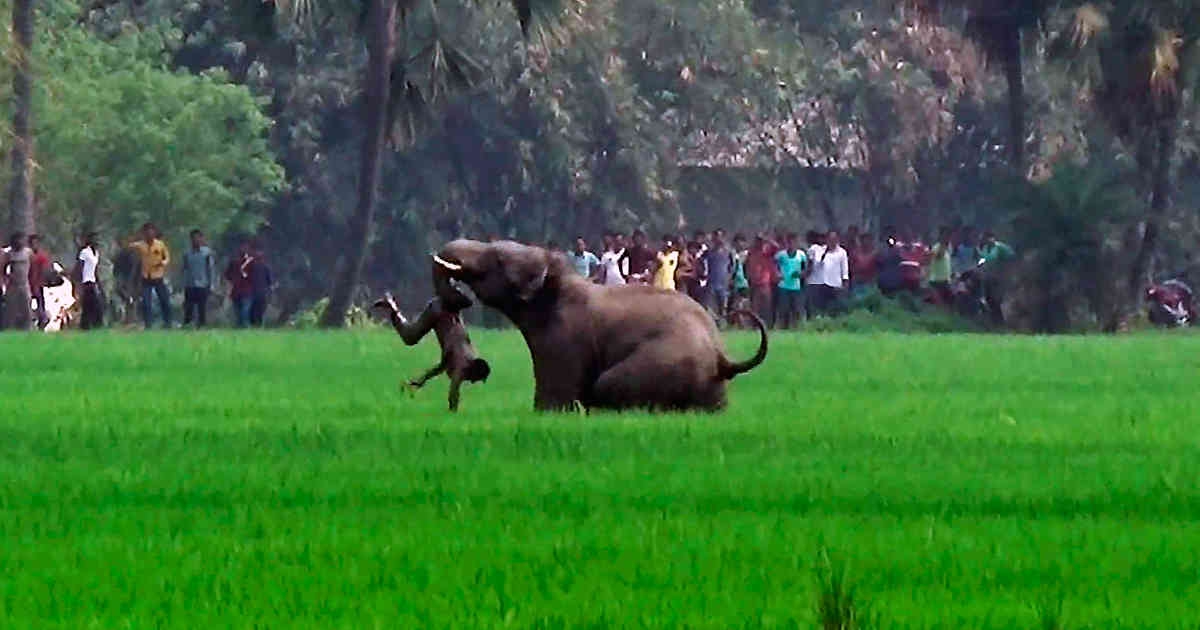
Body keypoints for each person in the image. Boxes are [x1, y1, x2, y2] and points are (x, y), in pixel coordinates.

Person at [373, 291, 490, 412]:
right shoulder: (461, 366)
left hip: (445, 310)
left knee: (410, 338)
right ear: (473, 370)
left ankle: (391, 307)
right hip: (438, 312)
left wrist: (421, 380)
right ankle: (391, 306)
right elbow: (454, 391)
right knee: (409, 337)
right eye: (475, 378)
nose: (472, 381)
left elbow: (442, 366)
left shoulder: (465, 355)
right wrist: (453, 412)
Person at [124, 223, 171, 329]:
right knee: (146, 302)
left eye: (151, 232)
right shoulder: (141, 245)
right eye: (147, 232)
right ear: (144, 233)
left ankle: (168, 323)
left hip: (158, 276)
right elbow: (128, 245)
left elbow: (167, 257)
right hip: (146, 277)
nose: (149, 234)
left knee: (164, 300)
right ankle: (148, 324)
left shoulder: (160, 245)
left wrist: (162, 263)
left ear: (154, 233)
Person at [978, 231, 1016, 325]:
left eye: (988, 238)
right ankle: (995, 321)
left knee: (997, 299)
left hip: (998, 278)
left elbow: (1011, 258)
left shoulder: (1000, 248)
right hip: (987, 277)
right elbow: (983, 259)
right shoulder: (985, 248)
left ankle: (1001, 321)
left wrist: (1005, 272)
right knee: (988, 299)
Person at [807, 230, 849, 315]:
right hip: (818, 283)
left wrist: (844, 285)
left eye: (834, 239)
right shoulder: (817, 250)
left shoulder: (842, 252)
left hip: (834, 284)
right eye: (830, 239)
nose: (832, 241)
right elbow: (812, 265)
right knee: (817, 309)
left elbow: (845, 271)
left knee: (833, 310)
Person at [181, 229, 215, 328]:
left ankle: (202, 325)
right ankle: (187, 325)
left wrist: (211, 284)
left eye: (198, 238)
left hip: (203, 284)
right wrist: (183, 283)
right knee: (189, 307)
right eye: (193, 238)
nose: (196, 240)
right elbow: (184, 269)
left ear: (201, 239)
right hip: (190, 284)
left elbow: (210, 269)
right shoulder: (187, 254)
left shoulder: (207, 253)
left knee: (202, 307)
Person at [774, 233, 808, 329]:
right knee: (783, 309)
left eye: (794, 242)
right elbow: (774, 266)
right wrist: (778, 274)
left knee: (797, 308)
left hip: (796, 286)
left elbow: (806, 268)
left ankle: (796, 327)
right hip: (783, 285)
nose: (792, 244)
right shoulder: (781, 255)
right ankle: (782, 327)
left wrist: (801, 274)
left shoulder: (801, 255)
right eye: (789, 242)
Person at [1, 233, 33, 330]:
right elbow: (3, 267)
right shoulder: (9, 254)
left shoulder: (28, 252)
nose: (19, 242)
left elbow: (33, 267)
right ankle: (9, 328)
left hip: (24, 283)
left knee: (26, 305)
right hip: (13, 284)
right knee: (11, 307)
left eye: (21, 240)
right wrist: (6, 277)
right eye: (17, 240)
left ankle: (27, 328)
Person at [745, 235, 778, 325]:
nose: (759, 243)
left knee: (766, 306)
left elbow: (776, 247)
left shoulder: (766, 252)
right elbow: (747, 265)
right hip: (754, 284)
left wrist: (768, 239)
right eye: (758, 241)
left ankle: (767, 325)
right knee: (755, 308)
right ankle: (755, 325)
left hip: (765, 284)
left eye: (761, 241)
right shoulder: (751, 253)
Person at [702, 230, 734, 318]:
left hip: (723, 283)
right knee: (710, 306)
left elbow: (732, 267)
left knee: (723, 306)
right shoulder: (708, 252)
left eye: (720, 236)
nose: (717, 239)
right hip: (711, 282)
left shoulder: (728, 252)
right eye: (715, 236)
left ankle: (723, 323)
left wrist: (730, 278)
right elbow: (700, 263)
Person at [224, 241, 254, 327]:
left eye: (245, 247)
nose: (243, 249)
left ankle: (245, 326)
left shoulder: (251, 263)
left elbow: (254, 276)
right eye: (242, 247)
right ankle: (239, 326)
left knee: (244, 311)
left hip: (247, 291)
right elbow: (227, 275)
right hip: (236, 291)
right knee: (237, 312)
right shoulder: (234, 263)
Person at [927, 227, 954, 305]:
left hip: (946, 281)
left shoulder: (949, 248)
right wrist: (943, 244)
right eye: (945, 235)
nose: (947, 237)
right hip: (937, 281)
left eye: (948, 235)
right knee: (939, 304)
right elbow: (939, 256)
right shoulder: (937, 247)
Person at [28, 235, 50, 329]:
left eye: (36, 243)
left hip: (38, 284)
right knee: (27, 303)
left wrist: (42, 282)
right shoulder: (28, 255)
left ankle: (42, 320)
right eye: (32, 243)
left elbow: (44, 270)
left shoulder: (42, 256)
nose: (34, 245)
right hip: (28, 283)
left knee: (40, 302)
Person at [248, 242, 273, 326]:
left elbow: (269, 281)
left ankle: (256, 325)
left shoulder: (254, 267)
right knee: (258, 311)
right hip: (258, 292)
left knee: (255, 310)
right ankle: (257, 325)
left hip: (256, 292)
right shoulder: (264, 267)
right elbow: (270, 282)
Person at [849, 232, 878, 298]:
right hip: (857, 281)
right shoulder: (854, 253)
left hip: (869, 281)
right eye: (864, 240)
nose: (866, 242)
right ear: (861, 241)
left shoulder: (875, 254)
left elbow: (877, 268)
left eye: (868, 240)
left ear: (871, 241)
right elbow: (850, 267)